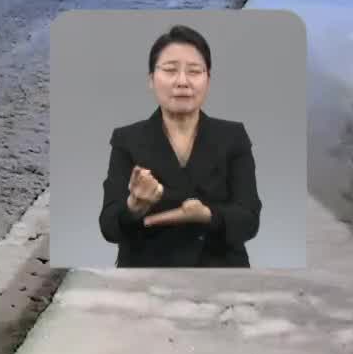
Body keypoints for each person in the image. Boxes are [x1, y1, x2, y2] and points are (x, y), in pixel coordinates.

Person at [99, 24, 260, 266]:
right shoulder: (127, 139)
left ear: (208, 79)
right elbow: (109, 227)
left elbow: (249, 220)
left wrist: (207, 215)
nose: (182, 82)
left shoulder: (233, 137)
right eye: (170, 70)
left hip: (221, 273)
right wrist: (134, 207)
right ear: (152, 79)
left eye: (194, 71)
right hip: (145, 279)